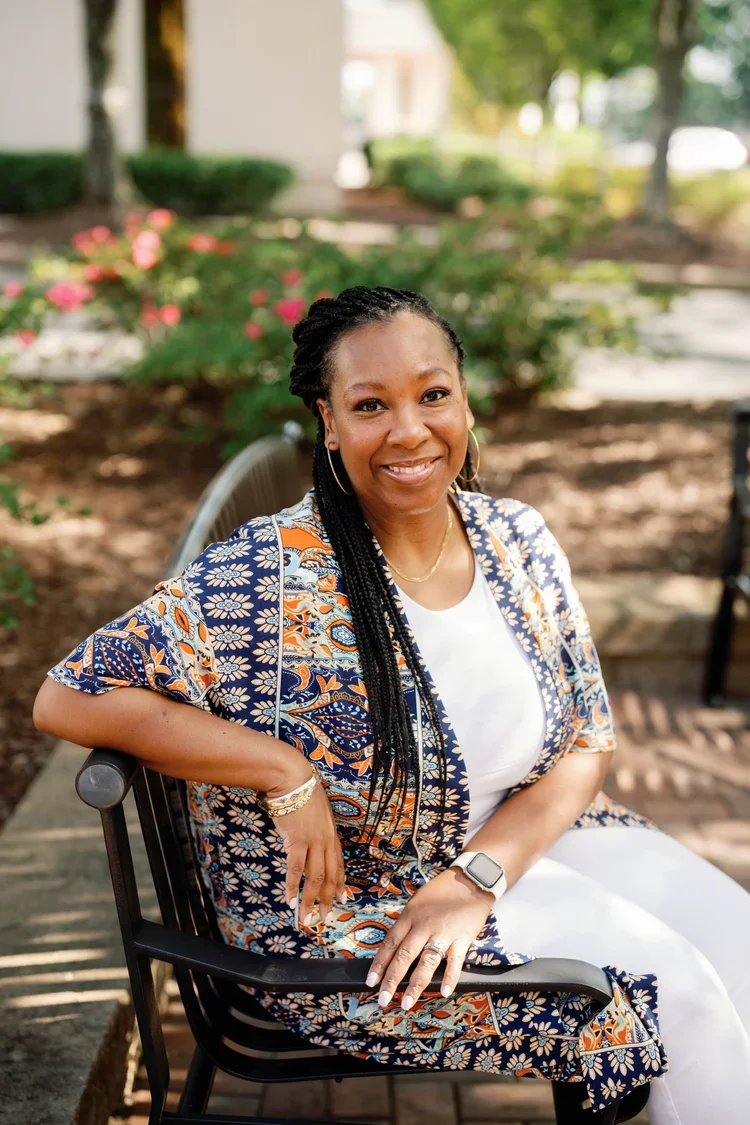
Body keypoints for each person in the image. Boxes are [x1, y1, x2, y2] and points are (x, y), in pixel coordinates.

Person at [33, 286, 750, 1123]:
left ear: (465, 400)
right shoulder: (274, 573)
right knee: (679, 994)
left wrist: (475, 876)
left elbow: (586, 742)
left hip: (503, 848)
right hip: (365, 911)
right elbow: (68, 693)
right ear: (329, 422)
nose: (410, 430)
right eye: (371, 404)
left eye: (433, 394)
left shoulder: (517, 537)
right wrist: (281, 768)